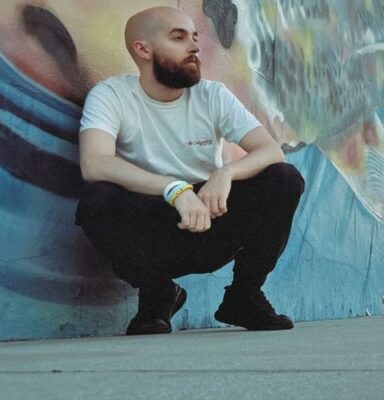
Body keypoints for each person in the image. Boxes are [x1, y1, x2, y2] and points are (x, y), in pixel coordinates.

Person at [75, 6, 305, 335]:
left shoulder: (212, 95)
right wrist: (174, 189)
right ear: (143, 49)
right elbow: (95, 163)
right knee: (98, 200)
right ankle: (157, 294)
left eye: (195, 37)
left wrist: (225, 174)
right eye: (179, 38)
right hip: (152, 228)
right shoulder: (112, 95)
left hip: (212, 220)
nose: (194, 46)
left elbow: (270, 150)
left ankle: (244, 296)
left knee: (284, 179)